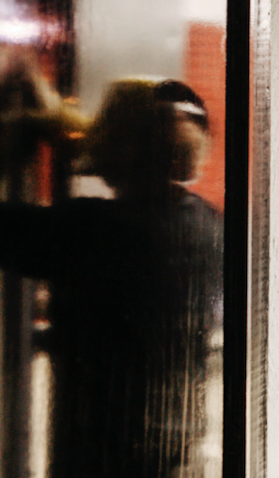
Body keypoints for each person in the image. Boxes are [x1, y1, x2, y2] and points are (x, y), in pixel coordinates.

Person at [1, 70, 223, 477]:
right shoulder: (209, 225)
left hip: (106, 459)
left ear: (126, 147)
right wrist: (53, 114)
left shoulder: (99, 230)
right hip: (179, 453)